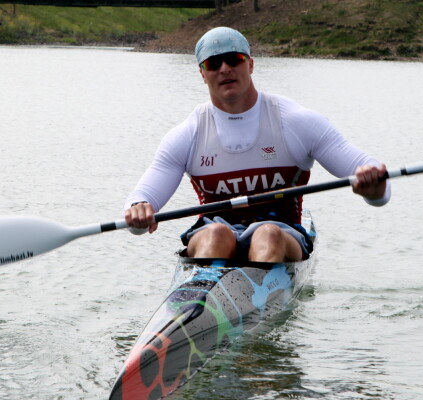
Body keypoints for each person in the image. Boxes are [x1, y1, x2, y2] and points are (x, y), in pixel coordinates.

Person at [124, 26, 390, 263]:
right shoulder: (189, 133)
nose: (225, 68)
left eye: (234, 59)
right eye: (213, 63)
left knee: (267, 234)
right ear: (202, 74)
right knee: (217, 233)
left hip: (281, 233)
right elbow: (141, 202)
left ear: (250, 64)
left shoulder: (296, 122)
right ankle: (207, 300)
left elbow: (378, 187)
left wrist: (373, 188)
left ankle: (251, 303)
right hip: (212, 232)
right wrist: (139, 212)